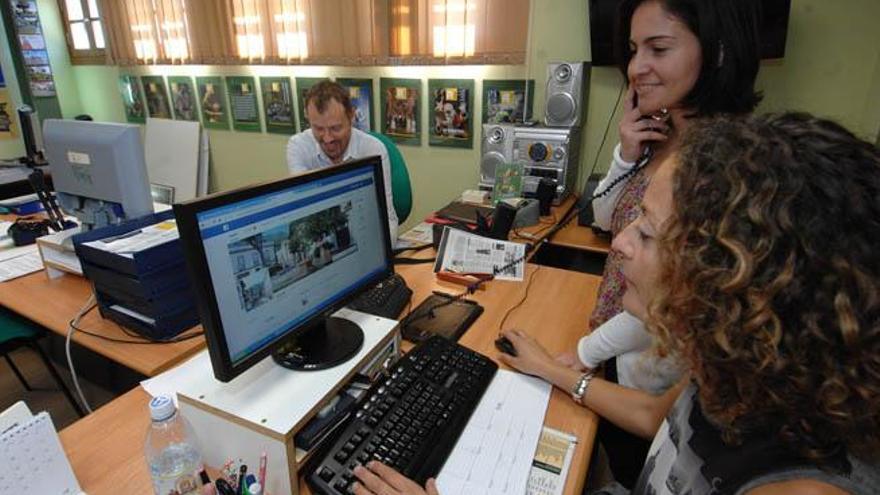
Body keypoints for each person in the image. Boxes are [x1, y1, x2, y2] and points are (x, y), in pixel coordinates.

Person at [352, 113, 880, 494]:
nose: (621, 241)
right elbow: (657, 415)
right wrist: (551, 370)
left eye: (647, 232)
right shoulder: (735, 370)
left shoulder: (801, 487)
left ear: (735, 280)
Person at [582, 0, 763, 486]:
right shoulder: (665, 136)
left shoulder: (724, 165)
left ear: (718, 51)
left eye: (658, 48)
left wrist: (583, 352)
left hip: (650, 368)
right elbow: (604, 219)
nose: (637, 67)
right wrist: (626, 152)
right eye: (634, 49)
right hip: (617, 350)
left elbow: (678, 295)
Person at [286, 81, 398, 242]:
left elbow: (388, 218)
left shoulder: (372, 149)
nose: (327, 138)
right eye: (318, 129)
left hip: (368, 234)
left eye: (335, 128)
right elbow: (308, 213)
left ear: (351, 116)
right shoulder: (299, 147)